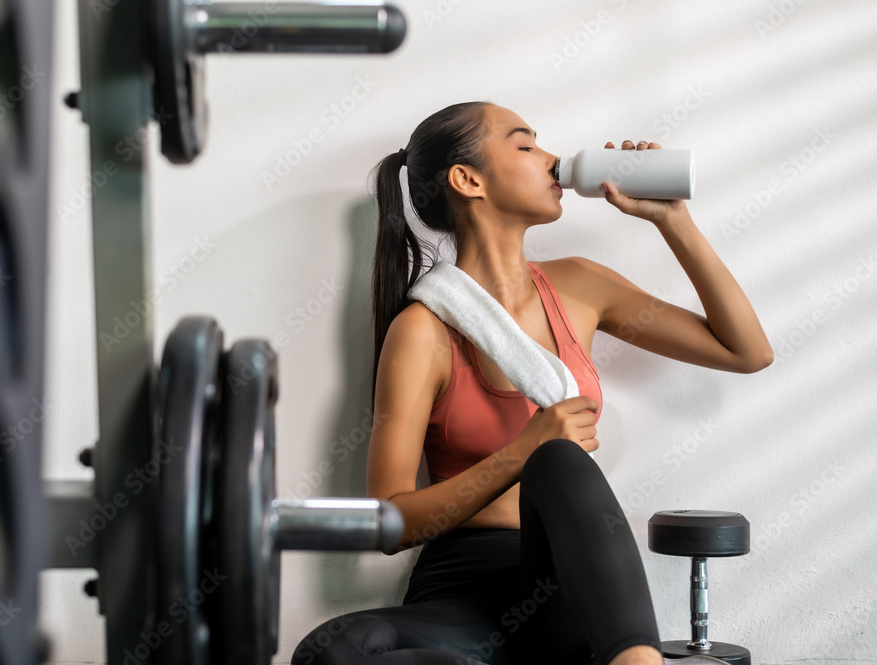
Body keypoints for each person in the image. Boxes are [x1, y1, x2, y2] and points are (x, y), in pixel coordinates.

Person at [291, 101, 773, 665]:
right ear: (467, 179)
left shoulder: (581, 285)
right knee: (331, 650)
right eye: (525, 146)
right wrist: (520, 452)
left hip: (569, 584)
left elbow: (746, 351)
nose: (551, 159)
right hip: (458, 595)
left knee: (561, 462)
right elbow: (388, 522)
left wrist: (672, 220)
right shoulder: (422, 330)